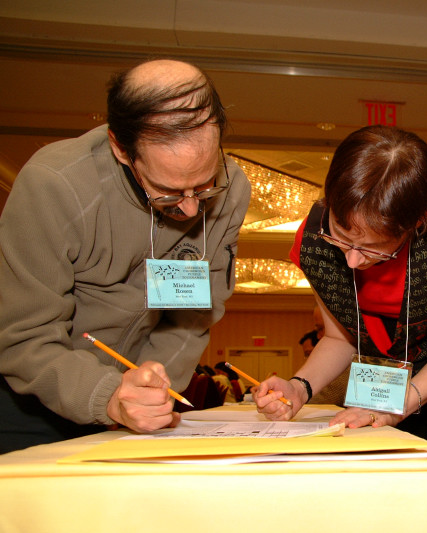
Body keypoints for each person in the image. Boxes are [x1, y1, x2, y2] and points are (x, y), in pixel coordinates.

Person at [0, 58, 251, 453]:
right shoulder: (54, 186)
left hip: (137, 410)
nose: (189, 210)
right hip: (32, 405)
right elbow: (26, 339)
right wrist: (108, 396)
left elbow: (192, 317)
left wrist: (151, 391)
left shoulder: (233, 190)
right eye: (167, 192)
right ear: (121, 147)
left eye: (204, 188)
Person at [254, 125, 427, 464]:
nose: (351, 259)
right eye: (341, 237)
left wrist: (395, 408)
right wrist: (299, 387)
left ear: (419, 221)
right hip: (385, 380)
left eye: (373, 248)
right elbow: (339, 338)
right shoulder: (312, 241)